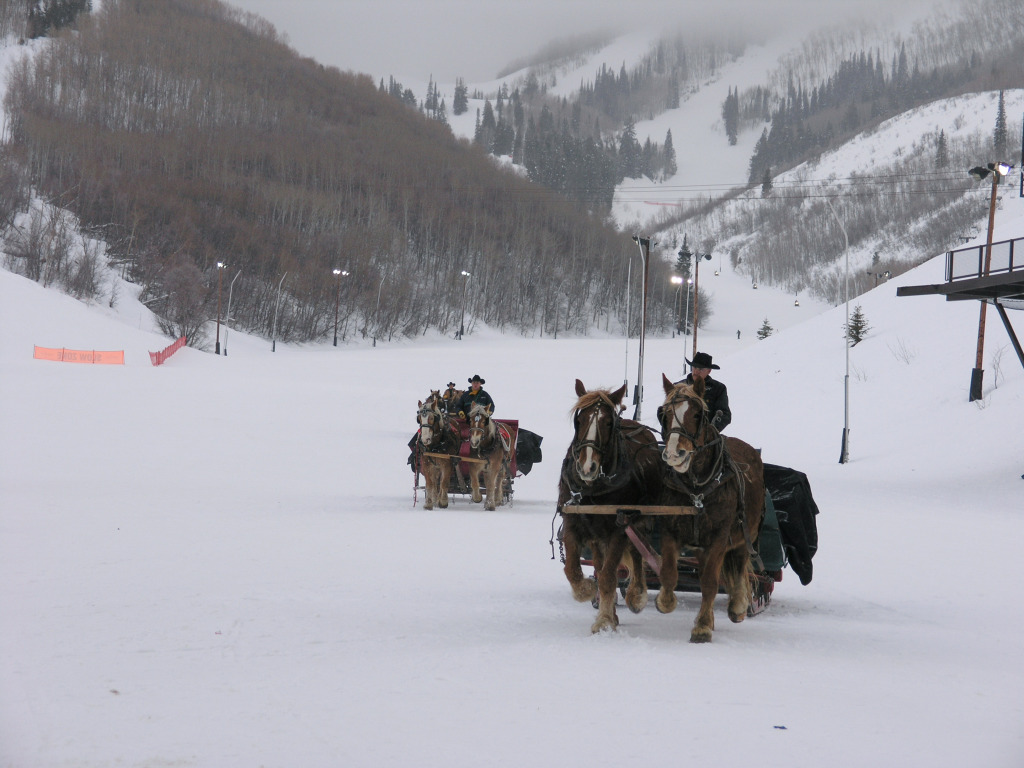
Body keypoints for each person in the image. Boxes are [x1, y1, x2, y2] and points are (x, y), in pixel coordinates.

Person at [678, 351, 731, 431]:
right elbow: (667, 412)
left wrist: (711, 430)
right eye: (694, 367)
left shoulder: (718, 388)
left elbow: (724, 414)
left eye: (700, 369)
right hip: (680, 434)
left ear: (709, 371)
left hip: (706, 437)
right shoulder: (678, 387)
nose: (696, 371)